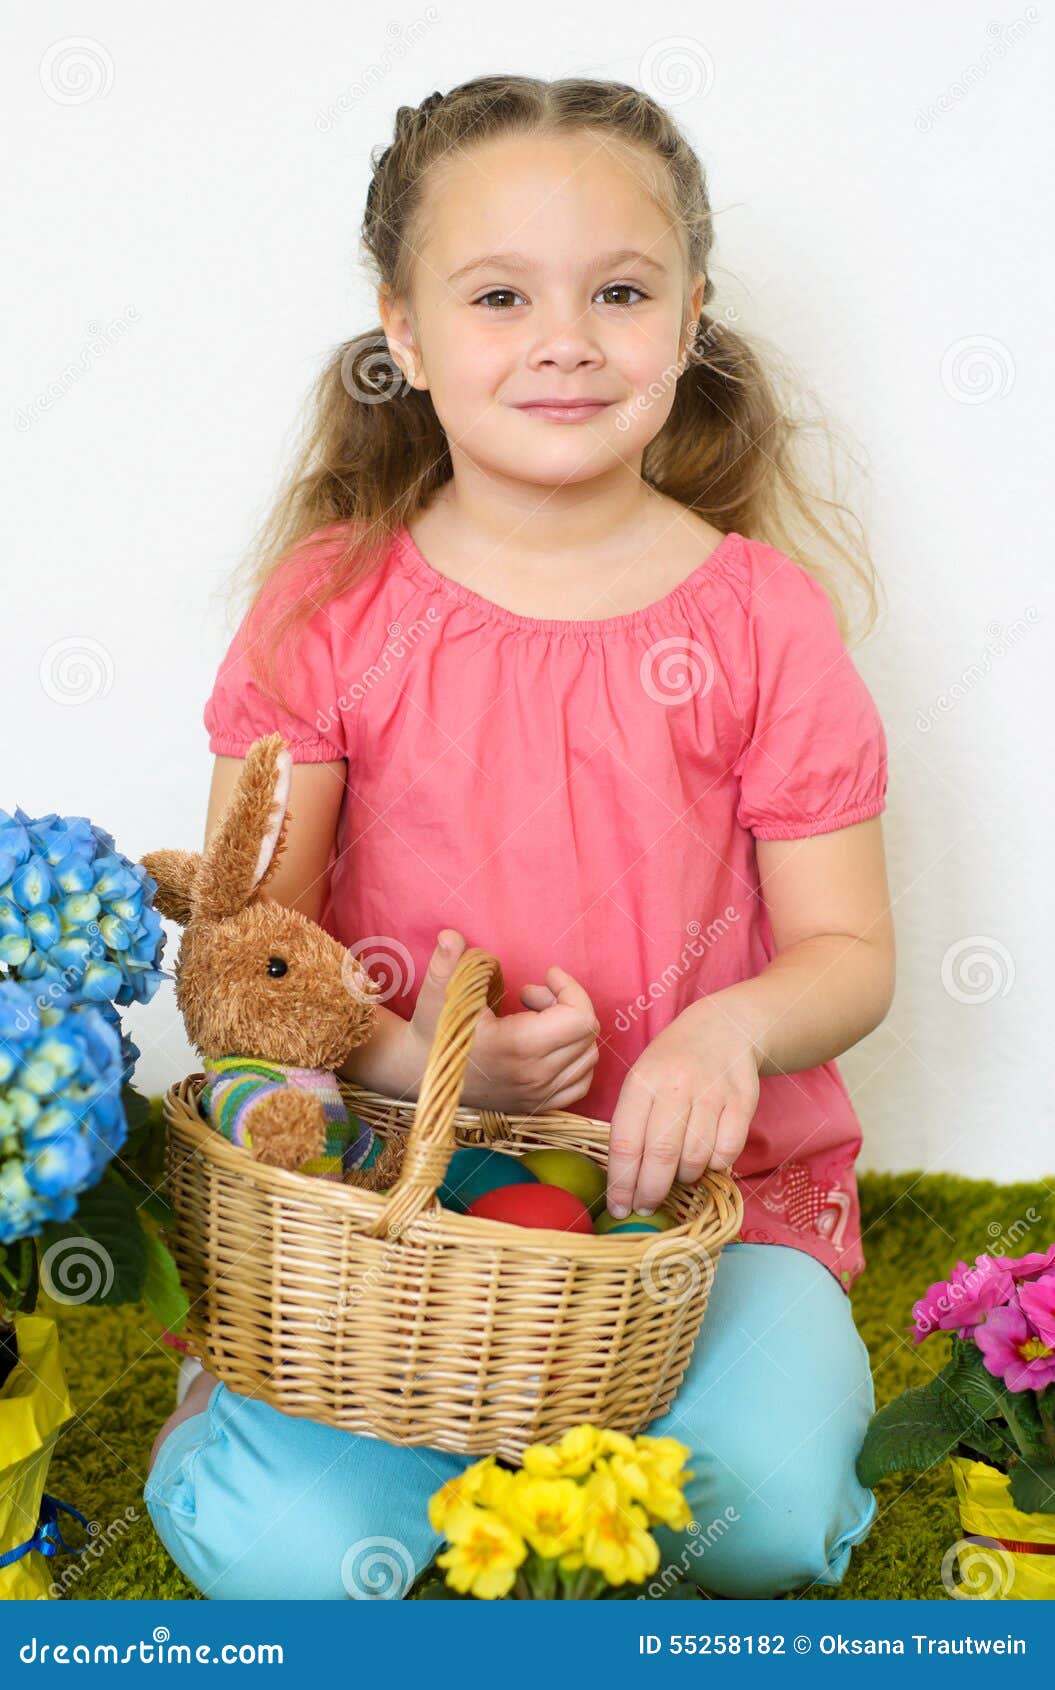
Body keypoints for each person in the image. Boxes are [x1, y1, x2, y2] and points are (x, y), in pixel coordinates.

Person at [144, 73, 895, 1601]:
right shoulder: (332, 607)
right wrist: (417, 1061)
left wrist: (727, 1033)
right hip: (393, 1217)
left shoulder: (761, 617)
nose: (565, 337)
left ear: (688, 321)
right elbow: (243, 960)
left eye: (619, 291)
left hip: (703, 1221)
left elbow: (849, 949)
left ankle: (606, 1430)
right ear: (403, 334)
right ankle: (285, 1407)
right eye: (500, 295)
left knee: (750, 1513)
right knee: (302, 1558)